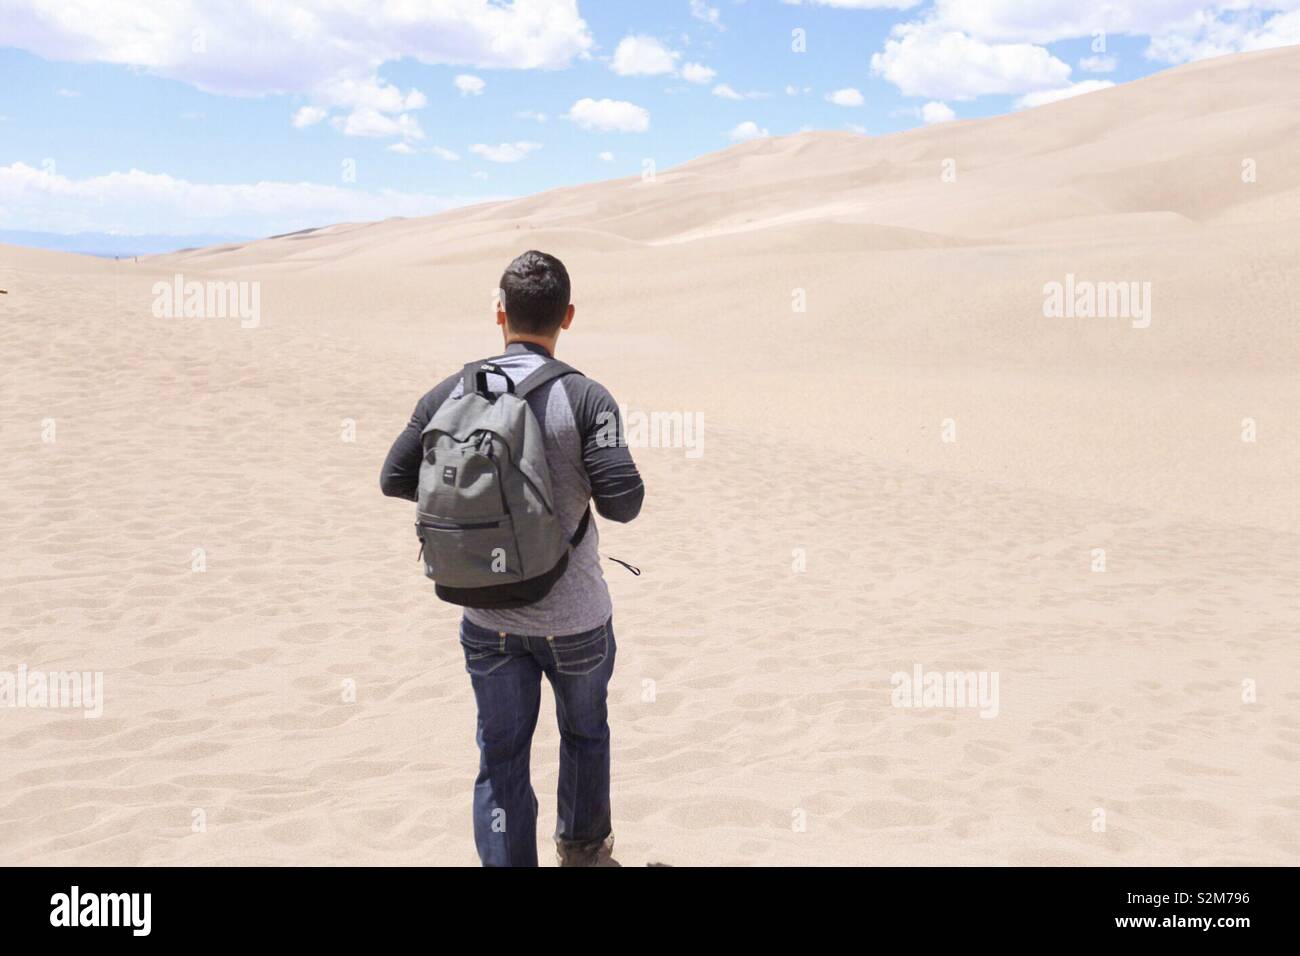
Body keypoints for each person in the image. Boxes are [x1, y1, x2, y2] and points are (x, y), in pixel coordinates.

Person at [380, 250, 644, 866]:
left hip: (485, 620)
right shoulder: (587, 397)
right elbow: (624, 503)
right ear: (568, 317)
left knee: (501, 755)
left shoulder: (452, 391)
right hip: (575, 618)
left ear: (499, 313)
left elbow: (395, 478)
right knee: (583, 734)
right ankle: (581, 851)